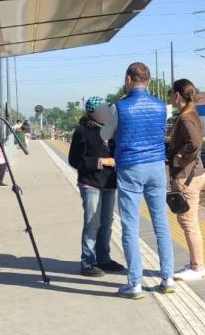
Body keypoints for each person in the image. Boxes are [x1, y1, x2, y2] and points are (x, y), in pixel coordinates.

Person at [101, 62, 175, 298]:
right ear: (149, 81)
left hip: (131, 167)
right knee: (160, 223)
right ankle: (168, 278)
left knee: (130, 227)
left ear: (128, 79)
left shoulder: (119, 107)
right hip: (156, 167)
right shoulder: (161, 106)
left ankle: (134, 283)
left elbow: (104, 135)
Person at [68, 97, 125, 277]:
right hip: (90, 183)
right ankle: (88, 261)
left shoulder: (112, 131)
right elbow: (74, 160)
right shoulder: (82, 132)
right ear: (92, 113)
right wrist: (100, 162)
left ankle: (104, 259)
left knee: (107, 223)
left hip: (109, 183)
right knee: (92, 222)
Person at [168, 79, 205, 281]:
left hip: (187, 177)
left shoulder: (185, 118)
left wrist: (181, 158)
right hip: (194, 174)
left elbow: (195, 142)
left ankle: (197, 267)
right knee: (191, 222)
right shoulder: (192, 113)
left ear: (177, 95)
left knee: (188, 222)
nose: (170, 98)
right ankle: (195, 263)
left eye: (170, 94)